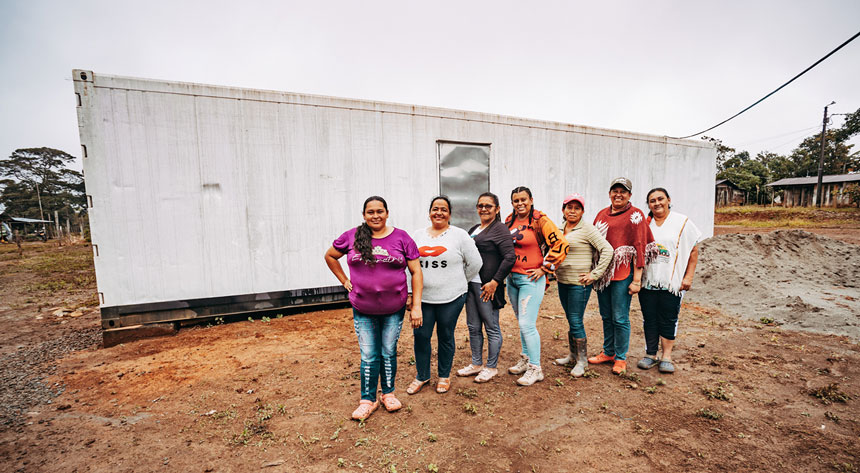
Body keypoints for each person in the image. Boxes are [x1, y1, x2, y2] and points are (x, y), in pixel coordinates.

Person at [324, 196, 423, 421]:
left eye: (380, 211)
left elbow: (416, 272)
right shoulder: (351, 236)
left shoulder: (402, 237)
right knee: (369, 355)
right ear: (364, 215)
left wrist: (415, 305)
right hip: (363, 308)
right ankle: (367, 400)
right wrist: (344, 280)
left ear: (387, 213)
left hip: (394, 308)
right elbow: (330, 256)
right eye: (371, 212)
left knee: (388, 352)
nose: (375, 216)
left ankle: (388, 394)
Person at [407, 196, 482, 394]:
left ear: (450, 213)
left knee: (445, 335)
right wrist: (410, 294)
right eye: (435, 208)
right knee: (421, 336)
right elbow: (410, 267)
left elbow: (475, 263)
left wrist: (459, 280)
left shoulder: (460, 235)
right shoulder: (417, 235)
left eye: (443, 209)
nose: (438, 212)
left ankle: (444, 376)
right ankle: (422, 376)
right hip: (423, 298)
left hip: (452, 297)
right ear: (429, 212)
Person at [589, 177, 656, 375]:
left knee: (620, 317)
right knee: (606, 315)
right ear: (609, 193)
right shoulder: (602, 214)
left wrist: (637, 280)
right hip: (603, 274)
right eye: (615, 190)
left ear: (629, 195)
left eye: (623, 191)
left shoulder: (636, 215)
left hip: (623, 273)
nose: (618, 194)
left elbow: (640, 247)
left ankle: (620, 357)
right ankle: (608, 351)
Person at [504, 186, 569, 386]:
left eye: (523, 199)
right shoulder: (509, 220)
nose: (520, 203)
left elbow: (561, 245)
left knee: (527, 324)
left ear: (531, 200)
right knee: (521, 321)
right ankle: (525, 358)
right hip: (513, 279)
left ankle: (536, 368)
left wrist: (545, 269)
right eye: (516, 200)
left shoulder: (541, 221)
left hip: (531, 279)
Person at [637, 187, 701, 374]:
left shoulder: (682, 222)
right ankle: (650, 354)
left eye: (660, 199)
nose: (657, 203)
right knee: (649, 318)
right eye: (652, 201)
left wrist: (688, 276)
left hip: (672, 282)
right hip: (648, 281)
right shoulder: (645, 224)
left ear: (668, 200)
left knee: (668, 318)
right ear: (648, 204)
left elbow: (693, 251)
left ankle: (666, 356)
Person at [456, 192, 516, 383]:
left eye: (488, 206)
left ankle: (491, 367)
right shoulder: (474, 228)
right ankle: (476, 364)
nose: (483, 209)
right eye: (480, 205)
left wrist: (496, 282)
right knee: (473, 326)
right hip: (471, 284)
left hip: (487, 287)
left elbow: (509, 258)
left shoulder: (500, 229)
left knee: (491, 327)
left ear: (497, 209)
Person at [552, 193, 613, 377]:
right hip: (562, 281)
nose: (572, 211)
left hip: (579, 284)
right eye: (569, 207)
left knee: (576, 320)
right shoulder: (559, 228)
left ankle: (582, 361)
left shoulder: (587, 229)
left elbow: (607, 249)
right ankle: (572, 355)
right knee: (571, 319)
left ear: (582, 211)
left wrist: (594, 274)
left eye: (577, 208)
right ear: (563, 210)